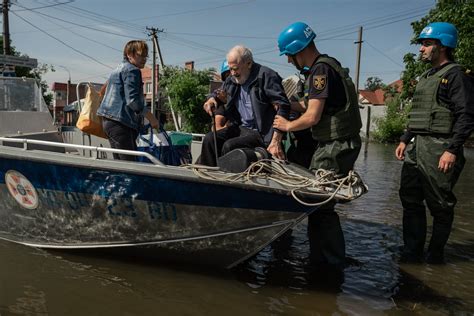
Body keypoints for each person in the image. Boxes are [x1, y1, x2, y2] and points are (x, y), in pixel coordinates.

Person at [273, 22, 362, 268]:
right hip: (335, 144)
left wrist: (286, 125)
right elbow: (311, 105)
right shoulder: (327, 65)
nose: (289, 62)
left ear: (297, 50)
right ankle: (323, 258)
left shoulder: (320, 71)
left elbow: (312, 117)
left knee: (321, 206)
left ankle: (331, 263)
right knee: (319, 204)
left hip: (336, 145)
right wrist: (285, 103)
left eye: (289, 56)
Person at [395, 22, 474, 264]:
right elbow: (418, 112)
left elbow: (467, 114)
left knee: (440, 204)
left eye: (427, 44)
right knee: (409, 198)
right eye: (422, 44)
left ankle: (435, 255)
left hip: (441, 147)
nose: (421, 49)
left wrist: (452, 149)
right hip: (417, 146)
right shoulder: (426, 77)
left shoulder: (456, 75)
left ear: (442, 47)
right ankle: (412, 252)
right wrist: (405, 139)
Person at [199, 45, 290, 166]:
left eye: (235, 69)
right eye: (230, 69)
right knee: (210, 139)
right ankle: (207, 176)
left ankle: (226, 180)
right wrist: (211, 99)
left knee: (230, 146)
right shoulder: (232, 79)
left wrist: (275, 141)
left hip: (261, 133)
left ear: (249, 64)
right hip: (239, 128)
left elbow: (283, 107)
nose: (232, 73)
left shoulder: (266, 76)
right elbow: (219, 92)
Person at [97, 40, 159, 161]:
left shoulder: (118, 69)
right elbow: (133, 100)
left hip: (109, 121)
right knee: (130, 166)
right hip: (121, 123)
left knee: (120, 164)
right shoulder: (132, 70)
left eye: (146, 55)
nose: (144, 59)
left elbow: (104, 91)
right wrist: (152, 118)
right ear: (129, 54)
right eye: (140, 55)